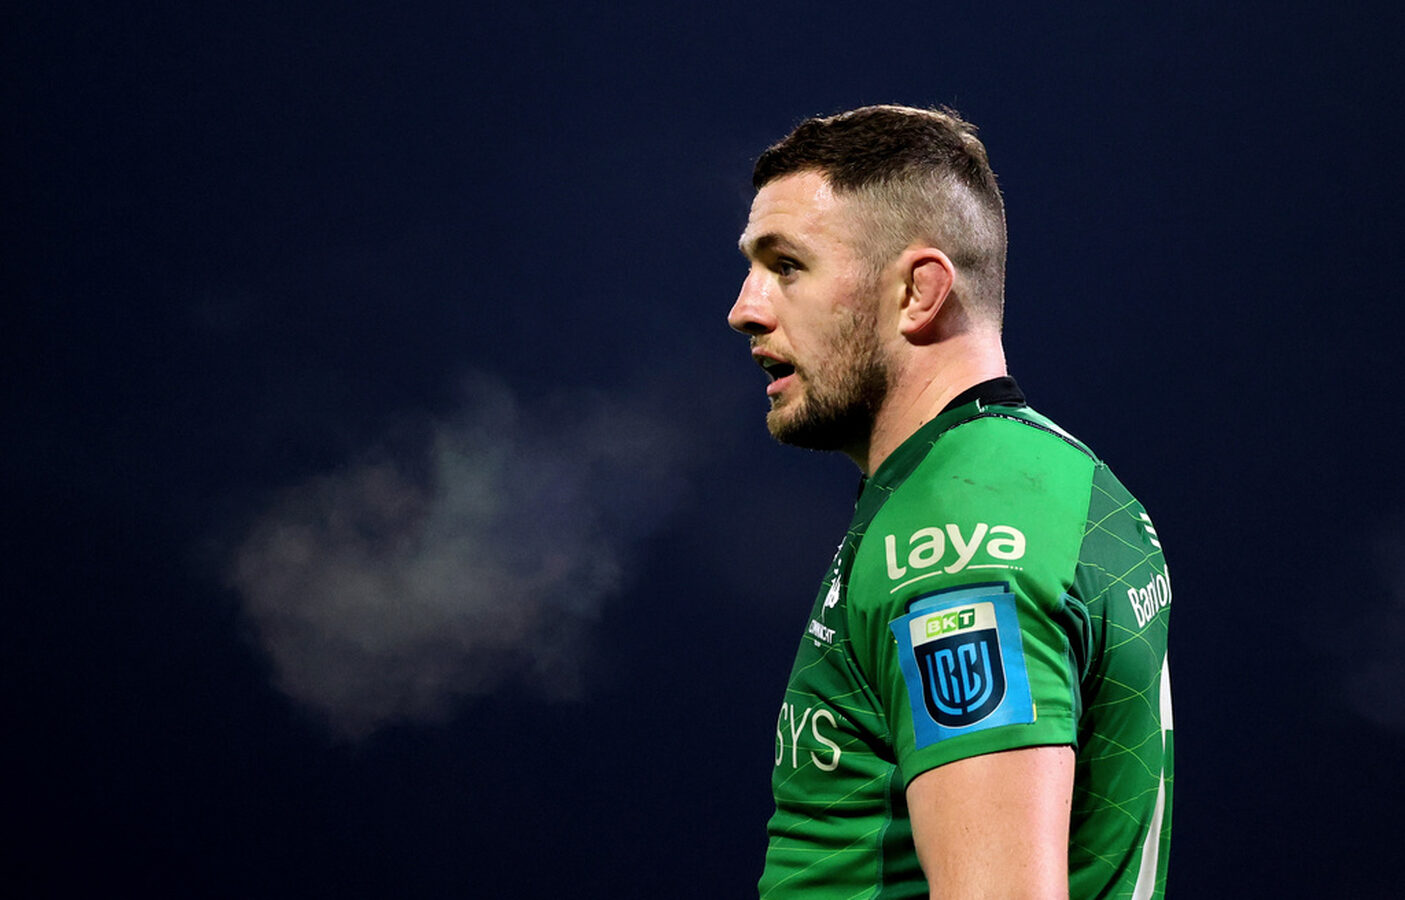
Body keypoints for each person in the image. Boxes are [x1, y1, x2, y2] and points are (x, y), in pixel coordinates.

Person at [728, 105, 1173, 898]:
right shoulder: (1047, 474)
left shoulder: (954, 536)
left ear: (917, 292)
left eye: (787, 266)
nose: (745, 309)